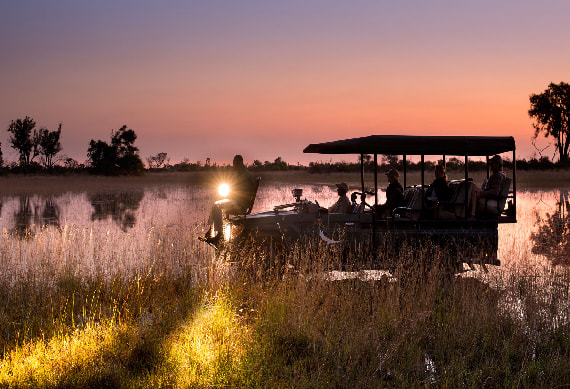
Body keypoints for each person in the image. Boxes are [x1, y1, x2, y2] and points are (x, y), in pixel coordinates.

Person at [201, 154, 255, 245]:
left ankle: (220, 235)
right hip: (239, 201)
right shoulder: (243, 173)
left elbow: (241, 193)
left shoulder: (243, 175)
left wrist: (230, 196)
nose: (234, 166)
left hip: (240, 204)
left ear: (239, 163)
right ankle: (211, 230)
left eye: (235, 164)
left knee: (216, 205)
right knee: (216, 204)